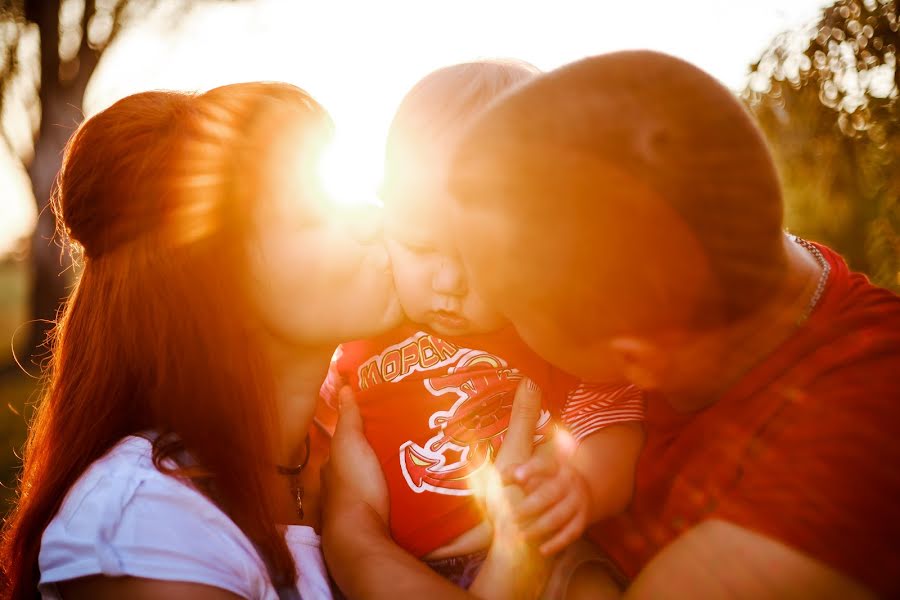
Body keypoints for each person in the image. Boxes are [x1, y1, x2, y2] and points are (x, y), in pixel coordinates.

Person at [0, 81, 555, 600]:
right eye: (314, 213)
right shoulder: (149, 526)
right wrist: (513, 560)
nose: (371, 218)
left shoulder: (367, 443)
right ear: (216, 282)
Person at [438, 51, 900, 598]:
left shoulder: (848, 455)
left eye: (511, 312)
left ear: (636, 363)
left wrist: (362, 548)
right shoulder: (705, 279)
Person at [318, 60, 644, 596]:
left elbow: (614, 426)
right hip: (402, 566)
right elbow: (315, 430)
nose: (448, 281)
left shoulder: (547, 328)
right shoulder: (365, 331)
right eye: (420, 248)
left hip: (542, 555)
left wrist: (581, 484)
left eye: (478, 257)